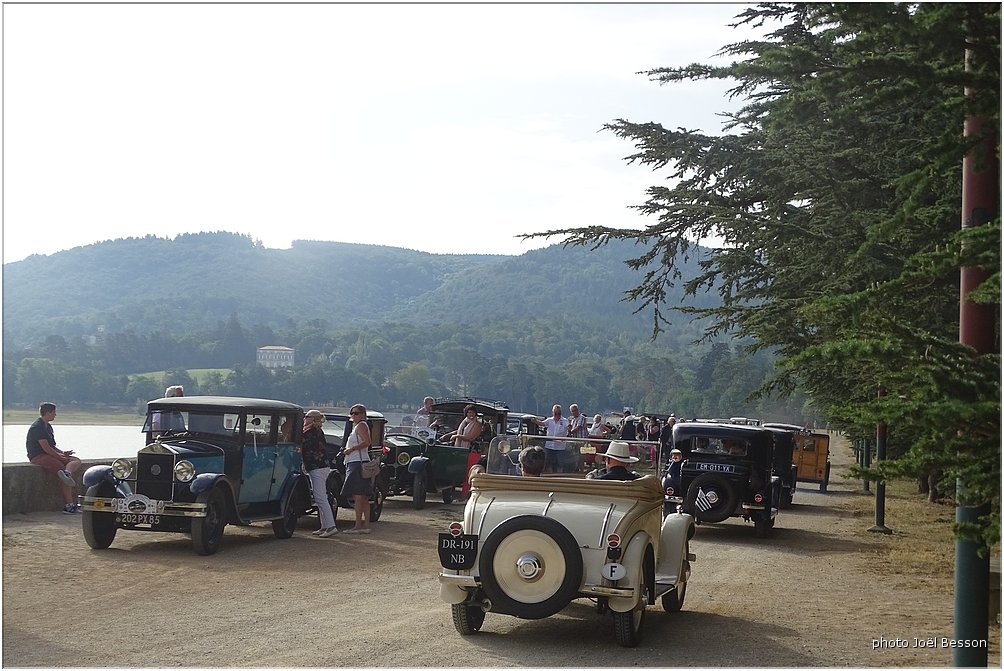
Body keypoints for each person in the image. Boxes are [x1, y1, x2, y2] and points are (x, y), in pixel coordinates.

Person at [26, 402, 82, 513]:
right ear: (48, 413)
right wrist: (61, 458)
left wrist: (63, 453)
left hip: (48, 454)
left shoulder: (48, 427)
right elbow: (46, 448)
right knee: (60, 466)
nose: (55, 415)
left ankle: (67, 473)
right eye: (54, 412)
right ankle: (69, 505)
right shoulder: (37, 427)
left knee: (75, 460)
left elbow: (52, 446)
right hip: (38, 456)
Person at [301, 409, 338, 537]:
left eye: (307, 417)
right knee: (320, 497)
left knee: (321, 497)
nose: (305, 419)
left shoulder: (312, 432)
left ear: (313, 419)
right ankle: (324, 526)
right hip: (318, 466)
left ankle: (331, 526)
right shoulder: (316, 431)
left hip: (317, 467)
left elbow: (301, 442)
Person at [340, 403, 373, 534]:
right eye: (352, 413)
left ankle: (359, 525)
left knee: (358, 495)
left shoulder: (361, 426)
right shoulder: (358, 426)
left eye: (356, 413)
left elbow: (367, 442)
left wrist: (351, 449)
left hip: (357, 462)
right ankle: (365, 525)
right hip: (357, 461)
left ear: (363, 414)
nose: (354, 415)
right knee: (362, 496)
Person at [441, 404, 483, 499]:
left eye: (472, 412)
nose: (470, 414)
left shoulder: (477, 424)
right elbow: (460, 431)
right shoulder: (465, 422)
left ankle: (464, 496)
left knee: (468, 472)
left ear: (475, 413)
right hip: (460, 450)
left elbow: (470, 437)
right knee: (458, 470)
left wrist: (457, 437)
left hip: (472, 451)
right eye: (468, 412)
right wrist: (448, 435)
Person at [529, 405, 571, 473]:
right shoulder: (549, 420)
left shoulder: (565, 421)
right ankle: (550, 477)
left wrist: (570, 428)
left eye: (559, 413)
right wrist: (535, 421)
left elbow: (569, 427)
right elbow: (542, 423)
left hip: (560, 447)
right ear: (552, 413)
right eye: (555, 413)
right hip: (549, 446)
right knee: (548, 464)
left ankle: (559, 478)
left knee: (560, 464)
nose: (557, 415)